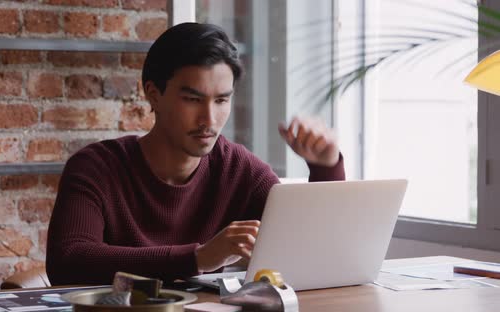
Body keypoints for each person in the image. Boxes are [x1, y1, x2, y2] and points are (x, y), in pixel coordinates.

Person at [46, 22, 345, 285]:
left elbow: (314, 251)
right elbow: (69, 261)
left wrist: (326, 168)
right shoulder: (95, 168)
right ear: (153, 94)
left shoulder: (240, 170)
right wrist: (197, 258)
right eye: (192, 99)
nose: (209, 119)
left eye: (221, 100)